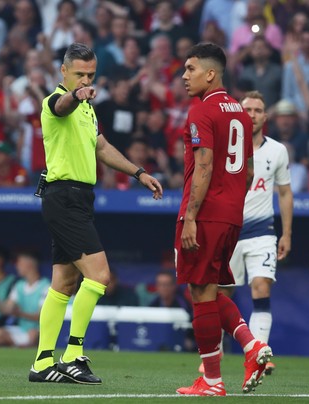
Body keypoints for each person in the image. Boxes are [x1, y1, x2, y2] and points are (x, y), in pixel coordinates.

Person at [28, 42, 163, 385]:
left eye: (90, 74)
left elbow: (101, 147)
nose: (86, 80)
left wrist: (139, 173)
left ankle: (43, 362)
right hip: (64, 197)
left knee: (64, 282)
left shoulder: (88, 109)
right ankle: (73, 355)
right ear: (63, 72)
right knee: (100, 275)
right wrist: (77, 94)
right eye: (79, 74)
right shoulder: (56, 102)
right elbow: (60, 106)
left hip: (79, 199)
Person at [175, 43, 271, 396]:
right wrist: (230, 205)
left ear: (210, 73)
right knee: (208, 290)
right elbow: (247, 173)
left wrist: (191, 217)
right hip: (231, 215)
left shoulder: (201, 111)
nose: (184, 76)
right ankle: (252, 345)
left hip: (205, 214)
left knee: (199, 292)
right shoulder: (242, 115)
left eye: (190, 69)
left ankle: (212, 381)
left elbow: (203, 165)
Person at [215, 91, 293, 377]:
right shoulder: (224, 148)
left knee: (261, 287)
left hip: (262, 231)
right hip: (229, 230)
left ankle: (259, 353)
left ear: (265, 116)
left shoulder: (277, 151)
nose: (252, 114)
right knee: (221, 294)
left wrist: (286, 234)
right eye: (247, 109)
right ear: (239, 112)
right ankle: (215, 352)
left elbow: (284, 192)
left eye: (258, 110)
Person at [0, 251, 50, 347]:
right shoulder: (19, 286)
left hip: (38, 330)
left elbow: (40, 316)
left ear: (29, 265)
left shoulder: (45, 286)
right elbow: (5, 310)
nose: (17, 267)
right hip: (22, 329)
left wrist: (19, 313)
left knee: (34, 335)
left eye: (19, 264)